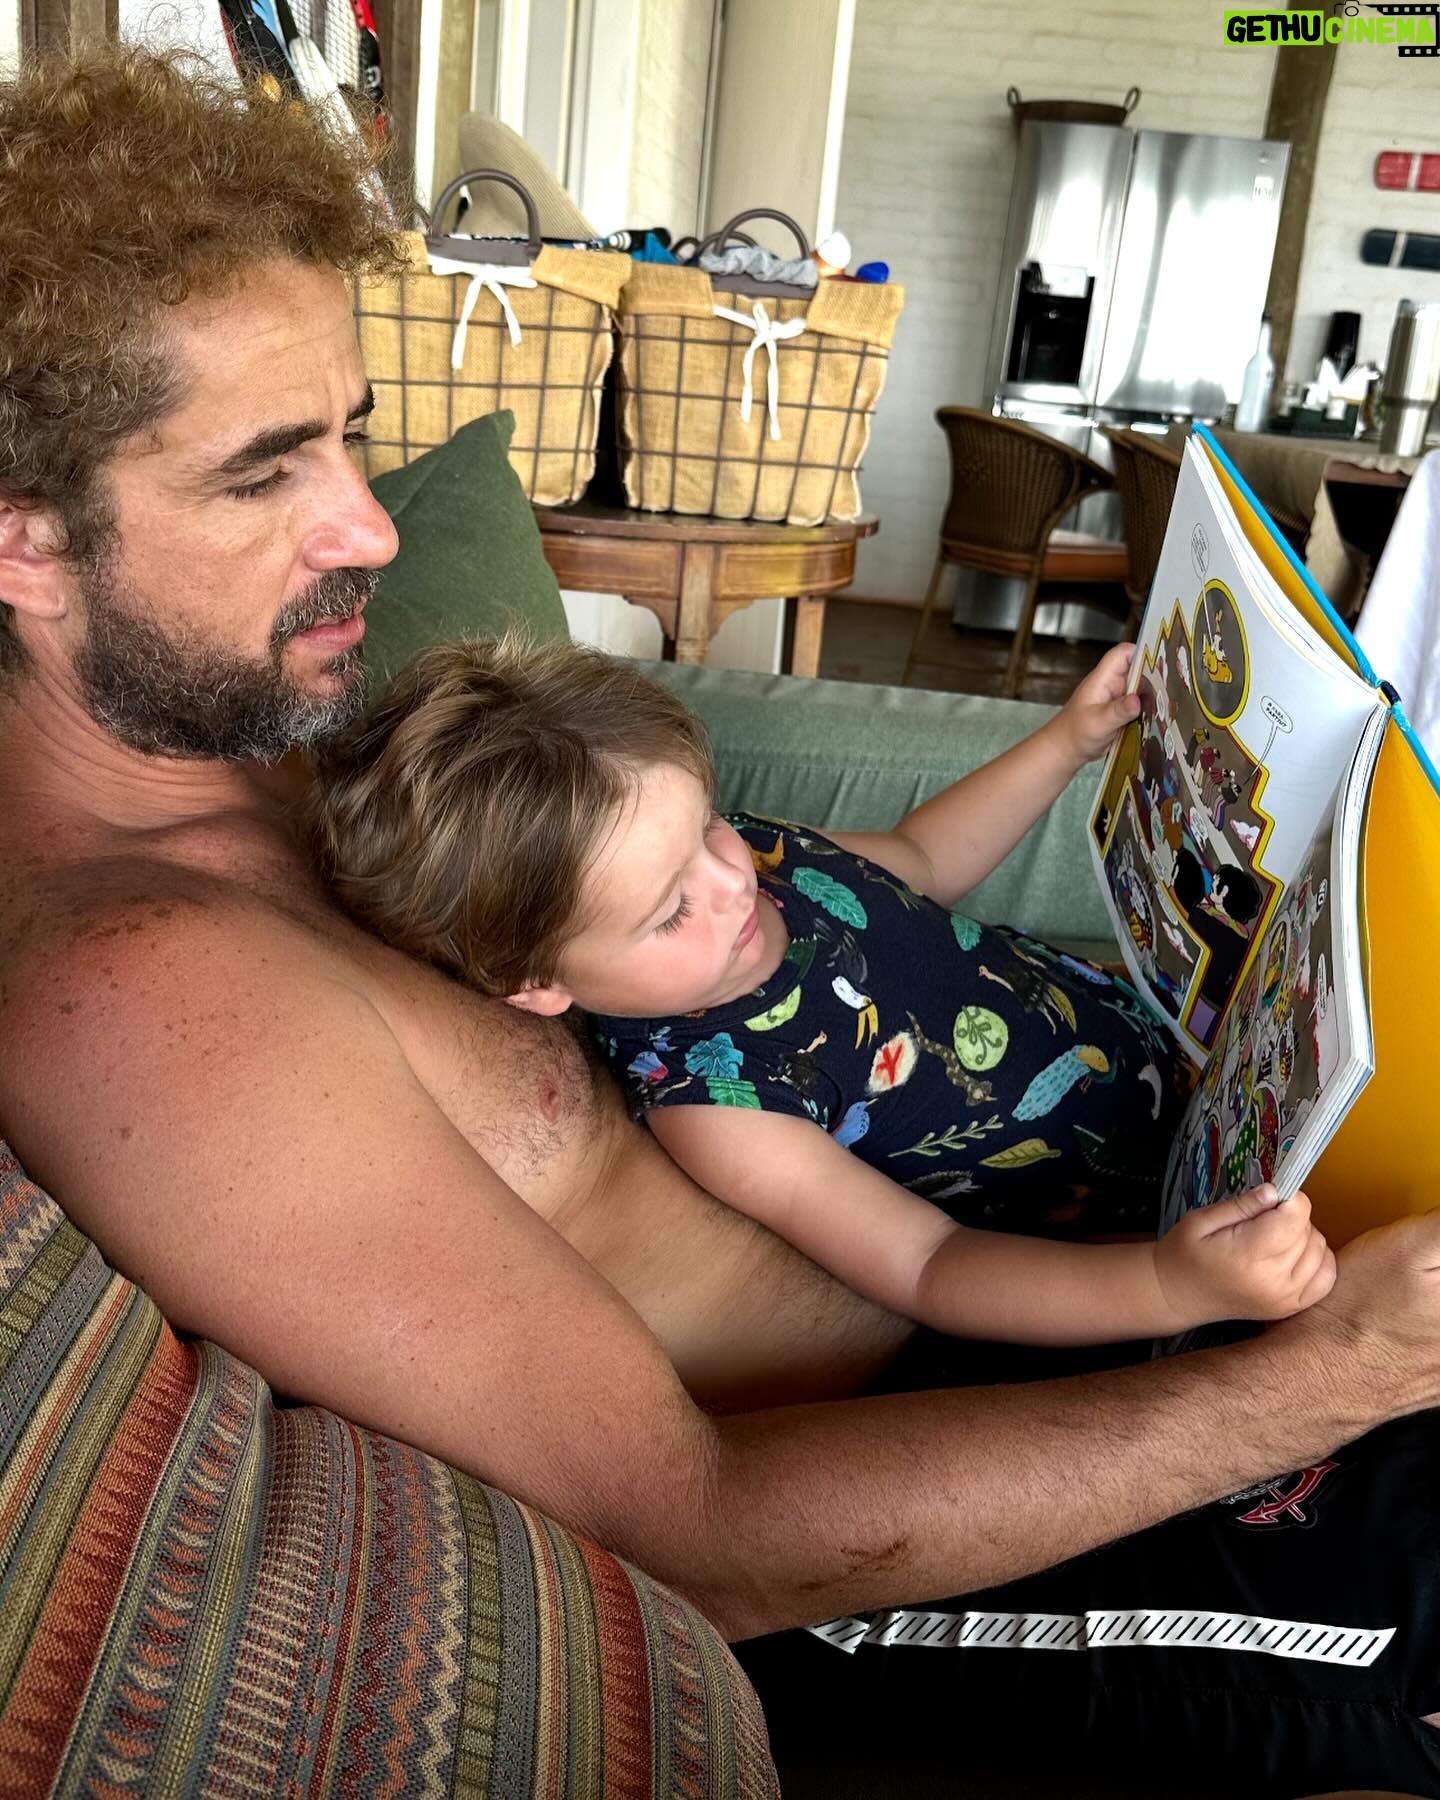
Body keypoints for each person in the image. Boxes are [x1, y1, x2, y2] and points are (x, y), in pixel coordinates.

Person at [3, 46, 1440, 1793]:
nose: (371, 528)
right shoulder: (139, 991)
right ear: (25, 545)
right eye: (263, 474)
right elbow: (689, 1521)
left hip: (1059, 1279)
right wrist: (1326, 1380)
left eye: (354, 434)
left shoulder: (290, 761)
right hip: (899, 1515)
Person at [310, 635, 1335, 1351]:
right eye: (669, 912)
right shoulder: (718, 1106)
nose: (732, 883)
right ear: (535, 987)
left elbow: (920, 858)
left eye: (706, 828)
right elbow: (933, 1267)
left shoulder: (753, 857)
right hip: (1155, 1213)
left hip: (1185, 1053)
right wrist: (1167, 1285)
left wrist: (1067, 742)